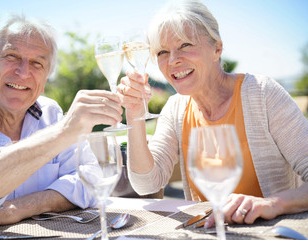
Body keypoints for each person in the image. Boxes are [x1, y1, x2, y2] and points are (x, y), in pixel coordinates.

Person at [118, 0, 308, 228]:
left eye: (185, 45)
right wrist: (134, 113)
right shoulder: (175, 109)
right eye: (162, 52)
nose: (173, 60)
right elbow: (146, 184)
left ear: (217, 48)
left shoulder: (263, 93)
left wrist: (271, 204)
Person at [0, 14, 124, 233]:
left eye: (37, 63)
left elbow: (90, 179)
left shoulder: (51, 113)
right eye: (11, 56)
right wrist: (63, 132)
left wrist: (17, 208)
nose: (23, 73)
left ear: (47, 76)